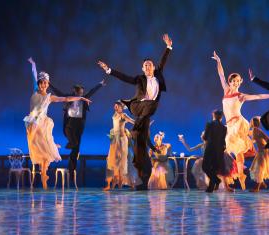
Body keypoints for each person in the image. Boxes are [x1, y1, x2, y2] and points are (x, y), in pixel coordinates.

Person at [97, 34, 173, 190]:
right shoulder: (139, 79)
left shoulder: (158, 75)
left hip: (148, 111)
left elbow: (163, 61)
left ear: (153, 67)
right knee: (148, 107)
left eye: (150, 65)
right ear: (142, 68)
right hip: (138, 107)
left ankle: (141, 175)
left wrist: (168, 47)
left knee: (141, 138)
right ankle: (138, 132)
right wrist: (109, 70)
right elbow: (124, 77)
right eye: (145, 65)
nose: (148, 67)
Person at [211, 51, 269, 190]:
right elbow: (221, 74)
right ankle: (232, 178)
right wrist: (218, 61)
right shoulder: (226, 90)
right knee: (226, 152)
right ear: (229, 82)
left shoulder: (241, 96)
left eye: (238, 81)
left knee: (237, 151)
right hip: (229, 125)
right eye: (233, 81)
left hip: (238, 124)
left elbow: (258, 96)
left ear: (240, 82)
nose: (236, 83)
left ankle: (242, 176)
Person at [28, 58, 106, 182]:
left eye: (46, 83)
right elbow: (36, 77)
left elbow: (71, 97)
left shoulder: (57, 97)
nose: (44, 85)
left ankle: (59, 168)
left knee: (68, 147)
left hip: (64, 124)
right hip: (47, 123)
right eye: (42, 83)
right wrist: (35, 66)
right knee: (44, 142)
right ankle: (54, 145)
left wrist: (88, 93)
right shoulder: (37, 91)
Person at [104, 102, 135, 190]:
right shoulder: (114, 115)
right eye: (114, 105)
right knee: (114, 160)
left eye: (117, 106)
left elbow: (133, 122)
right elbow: (115, 127)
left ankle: (120, 182)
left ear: (121, 107)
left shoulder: (124, 115)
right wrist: (112, 134)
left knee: (121, 161)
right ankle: (114, 182)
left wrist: (142, 124)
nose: (115, 107)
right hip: (115, 140)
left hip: (122, 140)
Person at [249, 116, 269, 192]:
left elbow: (268, 140)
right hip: (261, 151)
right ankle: (262, 183)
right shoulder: (254, 130)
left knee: (260, 168)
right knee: (258, 167)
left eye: (256, 122)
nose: (254, 123)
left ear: (258, 123)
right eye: (253, 122)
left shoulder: (258, 130)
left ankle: (257, 188)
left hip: (264, 151)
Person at [202, 110, 227, 193]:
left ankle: (214, 183)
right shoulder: (224, 128)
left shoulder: (209, 124)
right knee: (213, 169)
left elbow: (205, 137)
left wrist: (205, 138)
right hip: (219, 151)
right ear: (221, 117)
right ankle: (212, 186)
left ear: (214, 115)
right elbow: (223, 141)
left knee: (205, 167)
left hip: (210, 149)